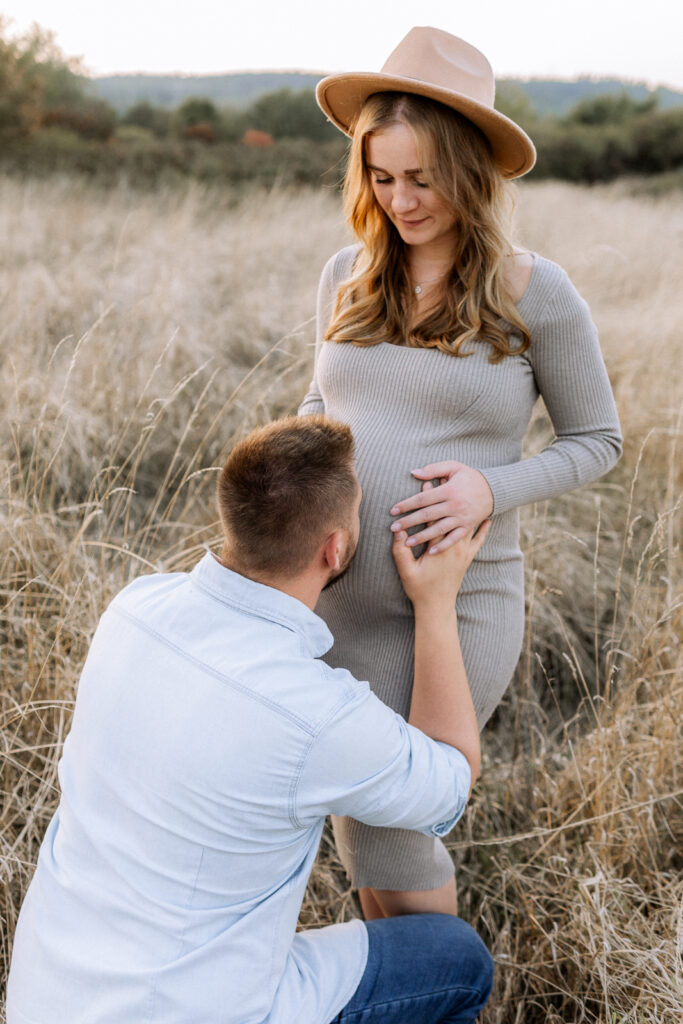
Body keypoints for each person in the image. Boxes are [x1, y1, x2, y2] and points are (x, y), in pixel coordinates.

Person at [7, 415, 494, 1024]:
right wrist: (437, 602)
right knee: (454, 958)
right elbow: (450, 781)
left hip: (45, 999)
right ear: (336, 547)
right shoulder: (314, 712)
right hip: (194, 1010)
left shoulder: (132, 607)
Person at [299, 26, 623, 919]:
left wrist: (490, 487)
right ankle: (395, 979)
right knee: (354, 819)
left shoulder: (533, 292)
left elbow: (597, 438)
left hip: (454, 599)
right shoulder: (345, 276)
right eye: (381, 176)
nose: (400, 201)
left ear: (469, 173)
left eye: (423, 178)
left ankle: (438, 994)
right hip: (331, 597)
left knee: (397, 816)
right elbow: (323, 408)